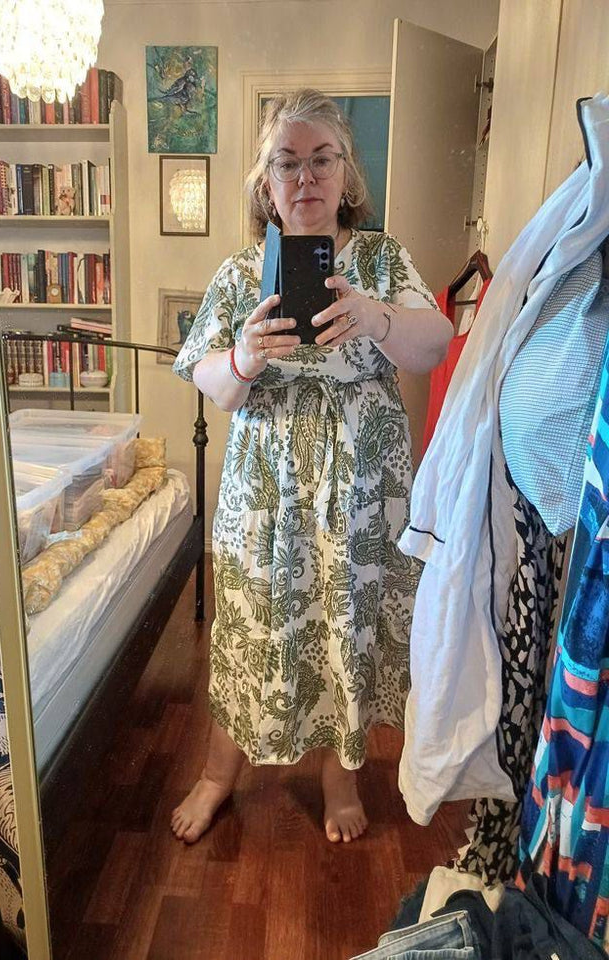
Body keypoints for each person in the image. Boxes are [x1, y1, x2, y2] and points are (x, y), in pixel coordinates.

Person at [171, 88, 452, 845]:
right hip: (267, 492)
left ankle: (340, 779)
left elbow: (434, 343)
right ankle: (217, 774)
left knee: (347, 625)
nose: (306, 177)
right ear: (267, 184)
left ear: (346, 174)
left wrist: (377, 316)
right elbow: (213, 384)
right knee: (252, 626)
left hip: (364, 488)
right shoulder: (241, 273)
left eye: (322, 159)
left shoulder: (382, 259)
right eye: (287, 163)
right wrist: (244, 356)